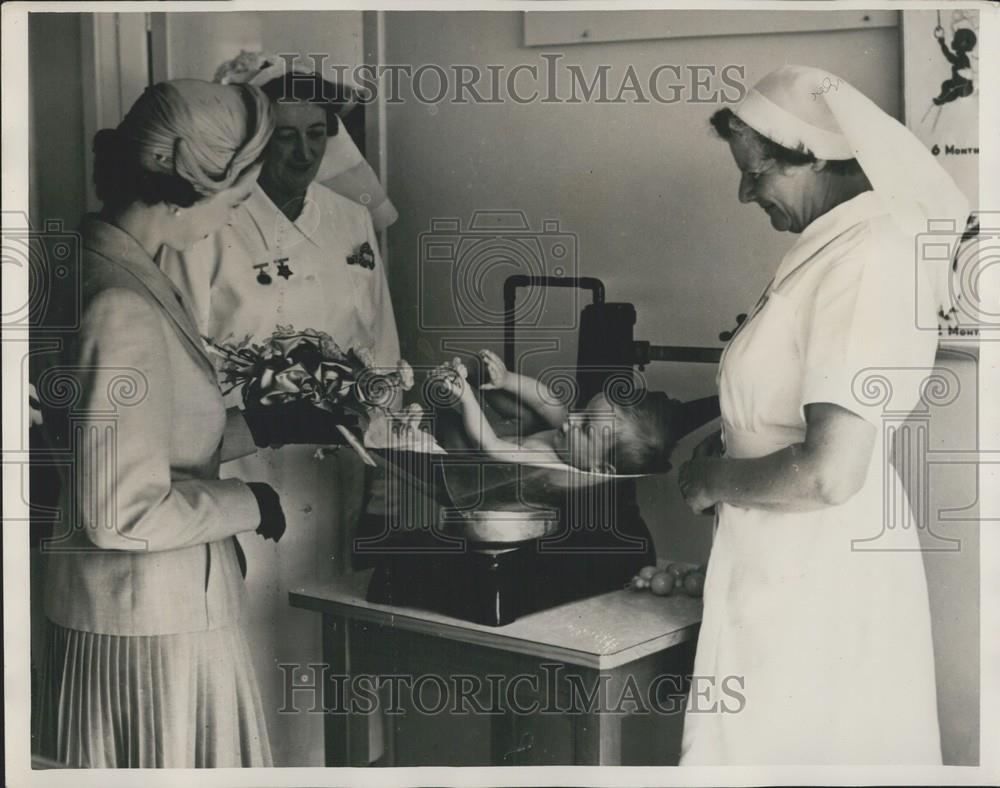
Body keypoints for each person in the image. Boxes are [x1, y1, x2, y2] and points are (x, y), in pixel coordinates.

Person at [676, 65, 969, 764]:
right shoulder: (831, 247)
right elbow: (783, 402)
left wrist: (710, 479)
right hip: (783, 561)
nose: (745, 194)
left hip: (819, 568)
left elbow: (828, 474)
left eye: (756, 174)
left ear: (812, 160)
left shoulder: (869, 257)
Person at [33, 80, 288, 768]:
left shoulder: (100, 265)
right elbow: (121, 510)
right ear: (189, 188)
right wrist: (248, 502)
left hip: (121, 609)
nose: (232, 219)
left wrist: (263, 422)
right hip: (153, 625)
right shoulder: (122, 304)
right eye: (235, 201)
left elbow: (143, 439)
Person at [159, 67, 401, 766]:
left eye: (317, 135)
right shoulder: (209, 228)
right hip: (244, 469)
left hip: (337, 472)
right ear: (257, 143)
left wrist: (384, 458)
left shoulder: (350, 220)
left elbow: (381, 349)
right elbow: (181, 370)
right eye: (285, 136)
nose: (302, 153)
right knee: (260, 654)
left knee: (335, 646)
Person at [429, 351, 670, 474]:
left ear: (601, 469)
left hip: (478, 454)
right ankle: (480, 377)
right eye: (584, 412)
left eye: (585, 427)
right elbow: (546, 401)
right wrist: (507, 379)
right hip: (505, 434)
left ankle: (448, 401)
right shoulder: (568, 437)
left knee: (456, 436)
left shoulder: (547, 461)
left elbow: (490, 445)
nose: (572, 418)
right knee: (532, 412)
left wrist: (466, 400)